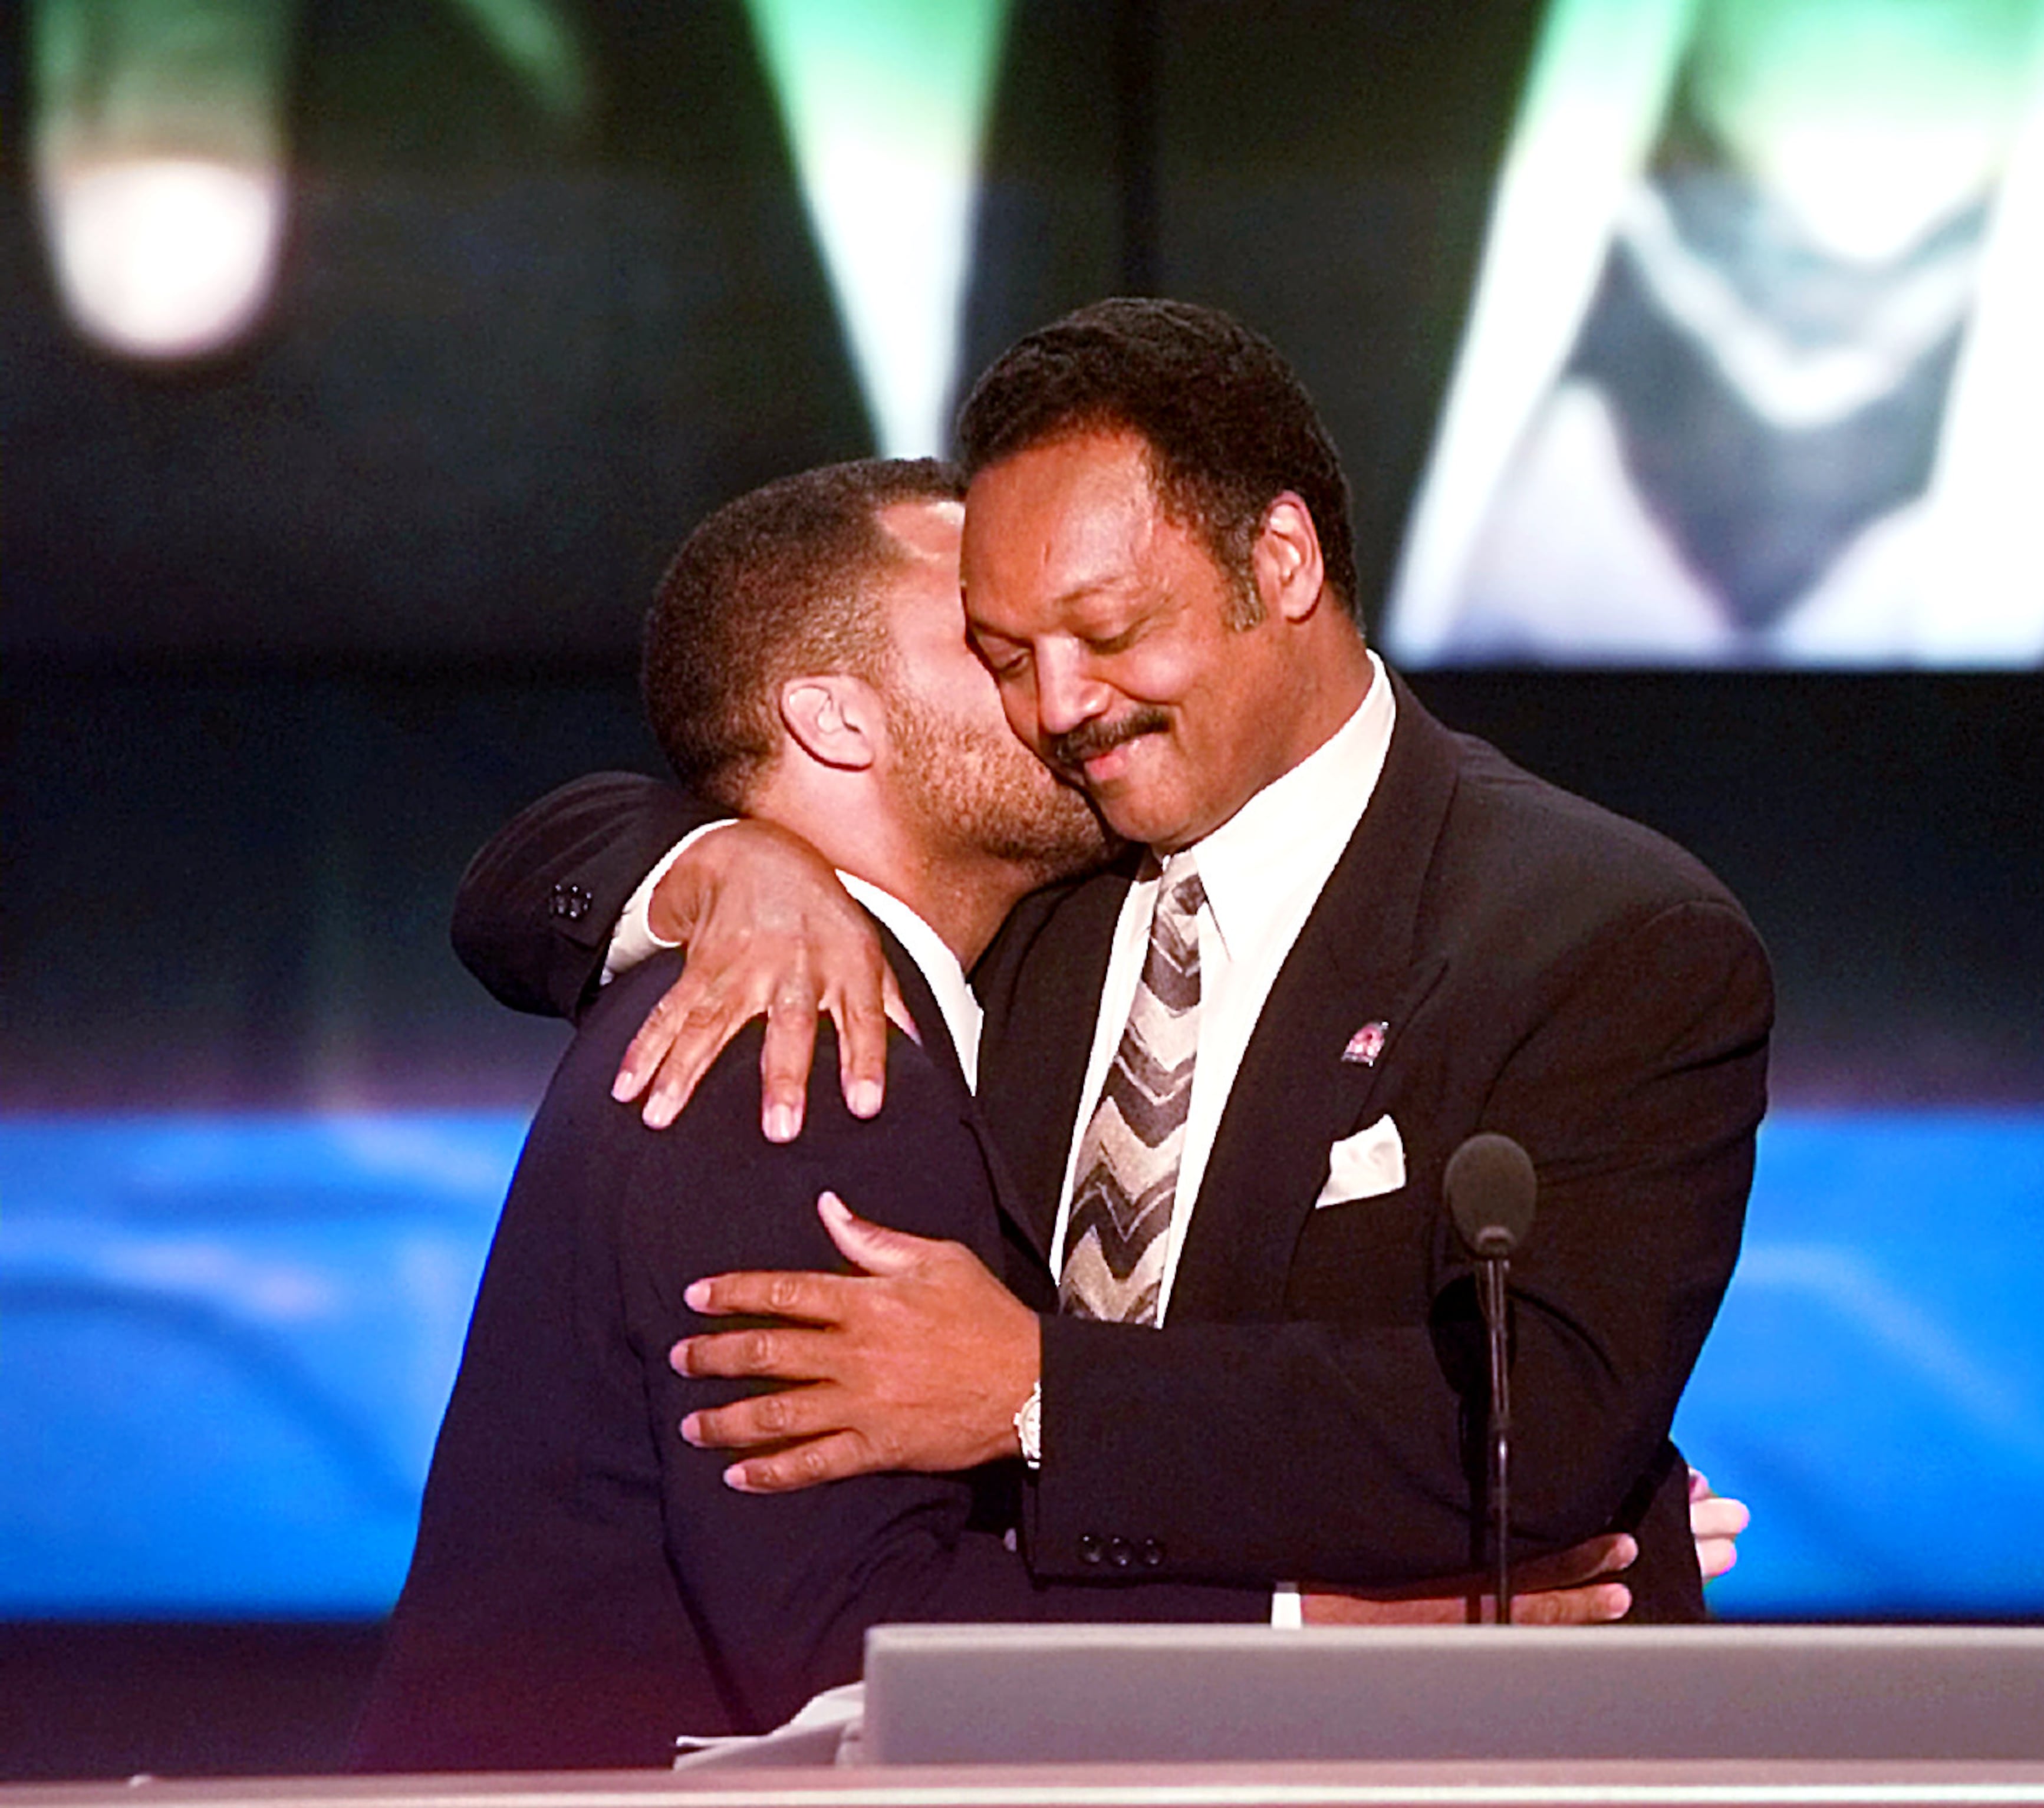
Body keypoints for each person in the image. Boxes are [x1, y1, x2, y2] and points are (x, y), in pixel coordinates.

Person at [455, 299, 1772, 1622]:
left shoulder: (1608, 939)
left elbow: (1527, 1434)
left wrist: (1037, 1387)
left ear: (1283, 560)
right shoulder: (1033, 864)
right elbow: (521, 884)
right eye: (1007, 655)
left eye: (1108, 628)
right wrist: (734, 863)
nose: (1060, 705)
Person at [360, 456, 1675, 1772]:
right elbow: (846, 1646)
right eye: (994, 646)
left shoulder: (966, 991)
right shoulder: (803, 1047)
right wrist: (1319, 1629)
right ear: (835, 720)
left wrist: (1551, 1488)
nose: (1064, 695)